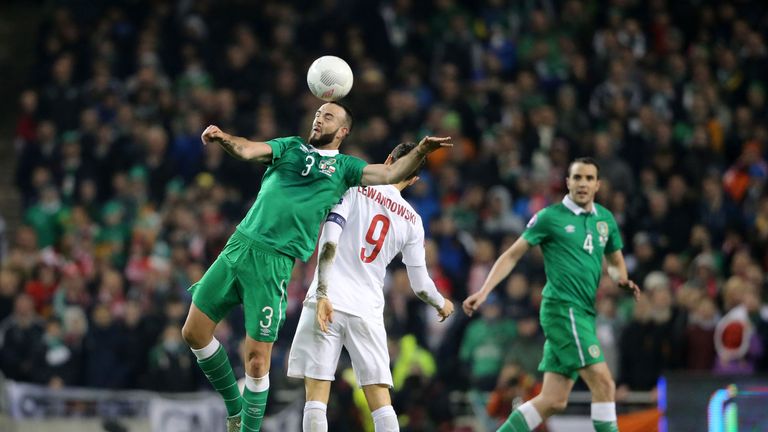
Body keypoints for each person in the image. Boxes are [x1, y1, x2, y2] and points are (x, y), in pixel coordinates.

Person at [180, 101, 452, 432]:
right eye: (318, 114)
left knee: (264, 364)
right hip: (242, 246)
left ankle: (246, 428)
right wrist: (224, 138)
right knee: (193, 332)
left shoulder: (348, 173)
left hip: (279, 265)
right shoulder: (290, 147)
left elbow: (383, 180)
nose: (318, 119)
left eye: (328, 116)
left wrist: (422, 147)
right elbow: (250, 150)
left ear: (343, 131)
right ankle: (235, 406)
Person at [463, 157, 641, 432]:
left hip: (583, 312)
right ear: (568, 182)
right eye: (577, 177)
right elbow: (512, 255)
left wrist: (622, 281)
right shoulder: (550, 217)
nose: (583, 183)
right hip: (562, 309)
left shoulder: (605, 220)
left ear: (598, 185)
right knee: (604, 382)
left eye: (589, 178)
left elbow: (616, 263)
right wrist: (485, 291)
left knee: (553, 399)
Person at [287, 141, 454, 432]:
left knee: (316, 395)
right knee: (380, 399)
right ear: (414, 179)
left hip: (329, 298)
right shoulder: (413, 220)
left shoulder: (354, 187)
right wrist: (441, 303)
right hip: (367, 308)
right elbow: (420, 285)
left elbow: (329, 240)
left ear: (388, 158)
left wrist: (323, 291)